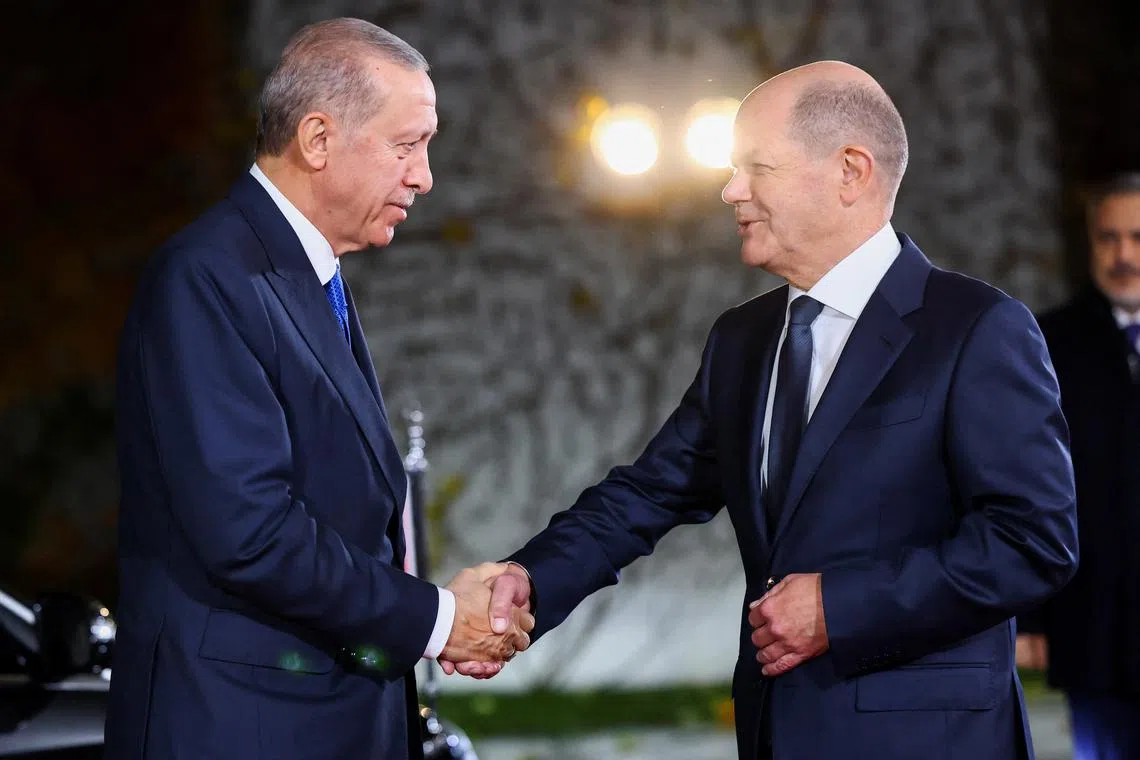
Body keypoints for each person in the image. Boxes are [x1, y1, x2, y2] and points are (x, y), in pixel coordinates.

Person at [446, 61, 1080, 760]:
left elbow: (1033, 541)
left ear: (851, 172)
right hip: (777, 732)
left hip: (928, 738)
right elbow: (649, 493)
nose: (730, 190)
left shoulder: (977, 328)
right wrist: (528, 582)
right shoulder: (741, 340)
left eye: (757, 167)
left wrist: (840, 607)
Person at [106, 18, 532, 760]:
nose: (424, 176)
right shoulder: (208, 277)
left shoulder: (302, 274)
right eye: (408, 145)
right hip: (242, 727)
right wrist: (435, 619)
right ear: (318, 140)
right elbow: (250, 531)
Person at [1016, 172, 1140, 759]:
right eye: (1108, 238)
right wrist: (1031, 616)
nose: (1123, 255)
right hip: (1095, 624)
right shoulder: (1046, 343)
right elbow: (1022, 485)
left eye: (1138, 238)